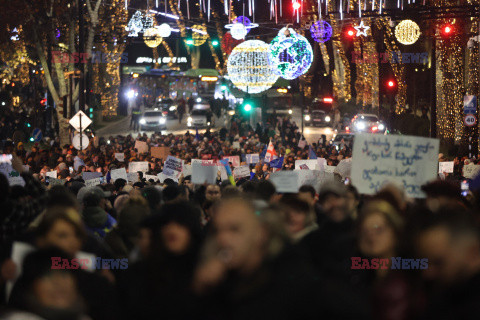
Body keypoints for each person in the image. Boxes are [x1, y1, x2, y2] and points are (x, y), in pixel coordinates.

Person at [194, 197, 321, 319]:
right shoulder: (219, 280)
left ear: (261, 233)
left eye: (234, 229)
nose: (222, 239)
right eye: (217, 230)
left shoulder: (295, 285)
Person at [118, 202, 203, 320]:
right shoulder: (138, 273)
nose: (172, 229)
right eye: (167, 223)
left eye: (180, 223)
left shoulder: (205, 273)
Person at [416, 207, 480, 319]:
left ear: (474, 253)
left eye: (438, 262)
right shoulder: (444, 297)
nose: (427, 273)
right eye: (426, 262)